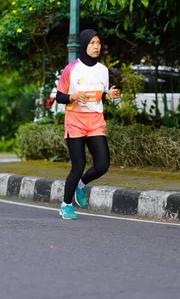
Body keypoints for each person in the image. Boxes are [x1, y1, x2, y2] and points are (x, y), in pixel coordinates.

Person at [55, 29, 120, 220]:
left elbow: (102, 94)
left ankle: (81, 185)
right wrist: (73, 96)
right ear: (84, 45)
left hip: (95, 121)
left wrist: (110, 95)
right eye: (92, 43)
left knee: (102, 165)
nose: (96, 46)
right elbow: (59, 96)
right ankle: (66, 205)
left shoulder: (103, 70)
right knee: (79, 164)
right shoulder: (71, 69)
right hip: (75, 121)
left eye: (98, 43)